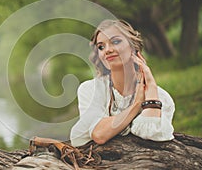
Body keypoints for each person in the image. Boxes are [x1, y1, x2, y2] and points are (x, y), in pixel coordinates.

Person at [70, 19, 175, 147]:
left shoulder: (162, 98)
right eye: (101, 47)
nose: (107, 50)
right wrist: (136, 105)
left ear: (132, 46)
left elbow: (152, 133)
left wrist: (151, 86)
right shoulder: (90, 90)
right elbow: (99, 134)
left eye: (115, 42)